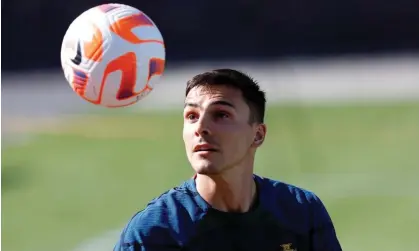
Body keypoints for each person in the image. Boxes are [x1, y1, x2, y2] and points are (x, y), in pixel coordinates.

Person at [114, 69, 342, 251]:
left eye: (221, 115)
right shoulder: (154, 233)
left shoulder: (301, 212)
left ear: (258, 134)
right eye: (191, 116)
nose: (201, 128)